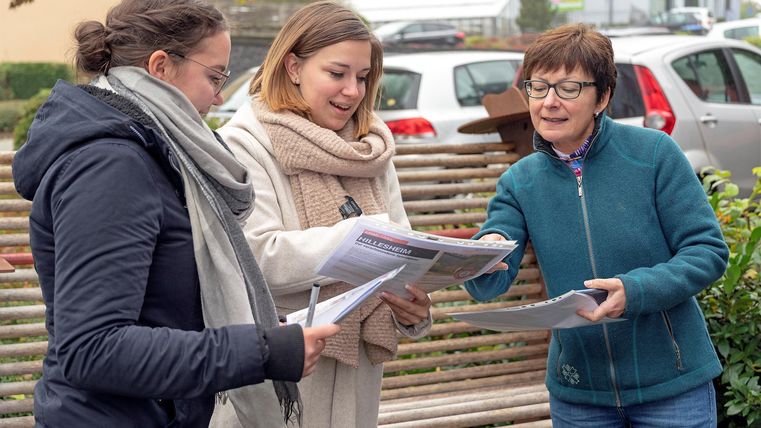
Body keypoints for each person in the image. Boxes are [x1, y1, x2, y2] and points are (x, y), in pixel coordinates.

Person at [11, 1, 340, 427]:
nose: (220, 96)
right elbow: (91, 349)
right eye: (214, 76)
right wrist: (259, 351)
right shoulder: (111, 166)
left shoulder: (154, 153)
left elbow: (163, 301)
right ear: (161, 66)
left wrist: (257, 323)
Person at [464, 24, 728, 427]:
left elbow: (707, 251)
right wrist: (485, 253)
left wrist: (636, 290)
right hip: (579, 393)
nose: (549, 102)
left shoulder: (654, 154)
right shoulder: (520, 181)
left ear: (602, 97)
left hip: (671, 384)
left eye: (568, 88)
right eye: (538, 87)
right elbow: (489, 281)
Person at [218, 2, 433, 426]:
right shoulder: (244, 144)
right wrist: (360, 235)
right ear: (293, 66)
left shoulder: (371, 149)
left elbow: (403, 251)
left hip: (356, 378)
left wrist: (415, 312)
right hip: (278, 374)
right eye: (337, 74)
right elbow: (256, 257)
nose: (352, 90)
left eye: (363, 77)